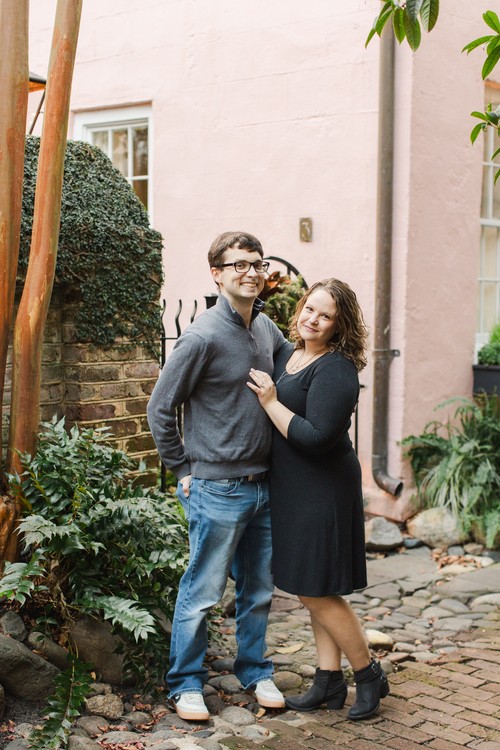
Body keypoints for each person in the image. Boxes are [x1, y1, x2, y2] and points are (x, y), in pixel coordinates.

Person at [147, 231, 288, 721]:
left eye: (257, 263)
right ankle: (185, 683)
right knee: (203, 592)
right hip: (217, 489)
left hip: (263, 485)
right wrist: (182, 468)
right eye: (238, 265)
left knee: (259, 591)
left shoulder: (265, 328)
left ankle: (254, 669)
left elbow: (295, 371)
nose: (251, 272)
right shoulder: (202, 335)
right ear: (217, 274)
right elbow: (160, 408)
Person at [247, 278, 390, 720]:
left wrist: (270, 401)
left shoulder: (336, 369)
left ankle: (368, 674)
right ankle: (328, 680)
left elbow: (317, 437)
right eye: (310, 308)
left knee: (316, 590)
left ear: (339, 325)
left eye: (325, 315)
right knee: (314, 586)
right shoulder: (290, 354)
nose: (313, 319)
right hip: (293, 487)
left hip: (323, 488)